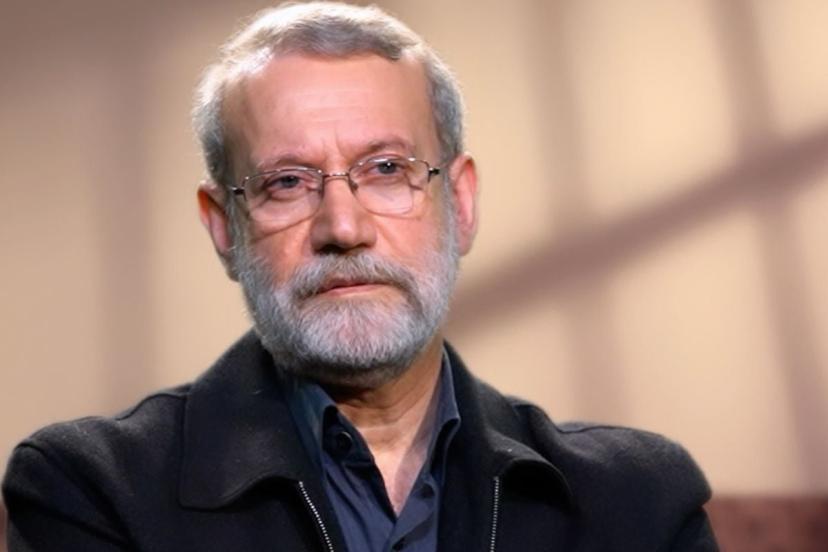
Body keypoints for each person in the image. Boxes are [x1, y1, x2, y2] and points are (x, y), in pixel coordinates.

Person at [2, 2, 718, 550]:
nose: (343, 228)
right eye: (287, 182)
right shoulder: (92, 492)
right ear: (224, 229)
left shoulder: (641, 502)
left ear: (461, 204)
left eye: (386, 169)